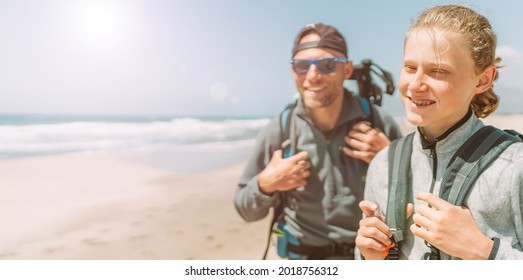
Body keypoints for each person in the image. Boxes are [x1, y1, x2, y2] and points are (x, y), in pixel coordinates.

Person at [356, 4, 523, 260]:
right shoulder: (384, 163)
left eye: (438, 71)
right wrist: (370, 257)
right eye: (410, 68)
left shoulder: (515, 166)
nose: (416, 84)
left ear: (483, 80)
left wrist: (483, 251)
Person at [234, 23, 402, 260]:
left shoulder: (379, 123)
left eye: (327, 65)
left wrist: (391, 158)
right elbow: (244, 209)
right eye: (302, 66)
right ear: (293, 72)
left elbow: (420, 200)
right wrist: (266, 184)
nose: (313, 76)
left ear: (347, 70)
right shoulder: (280, 131)